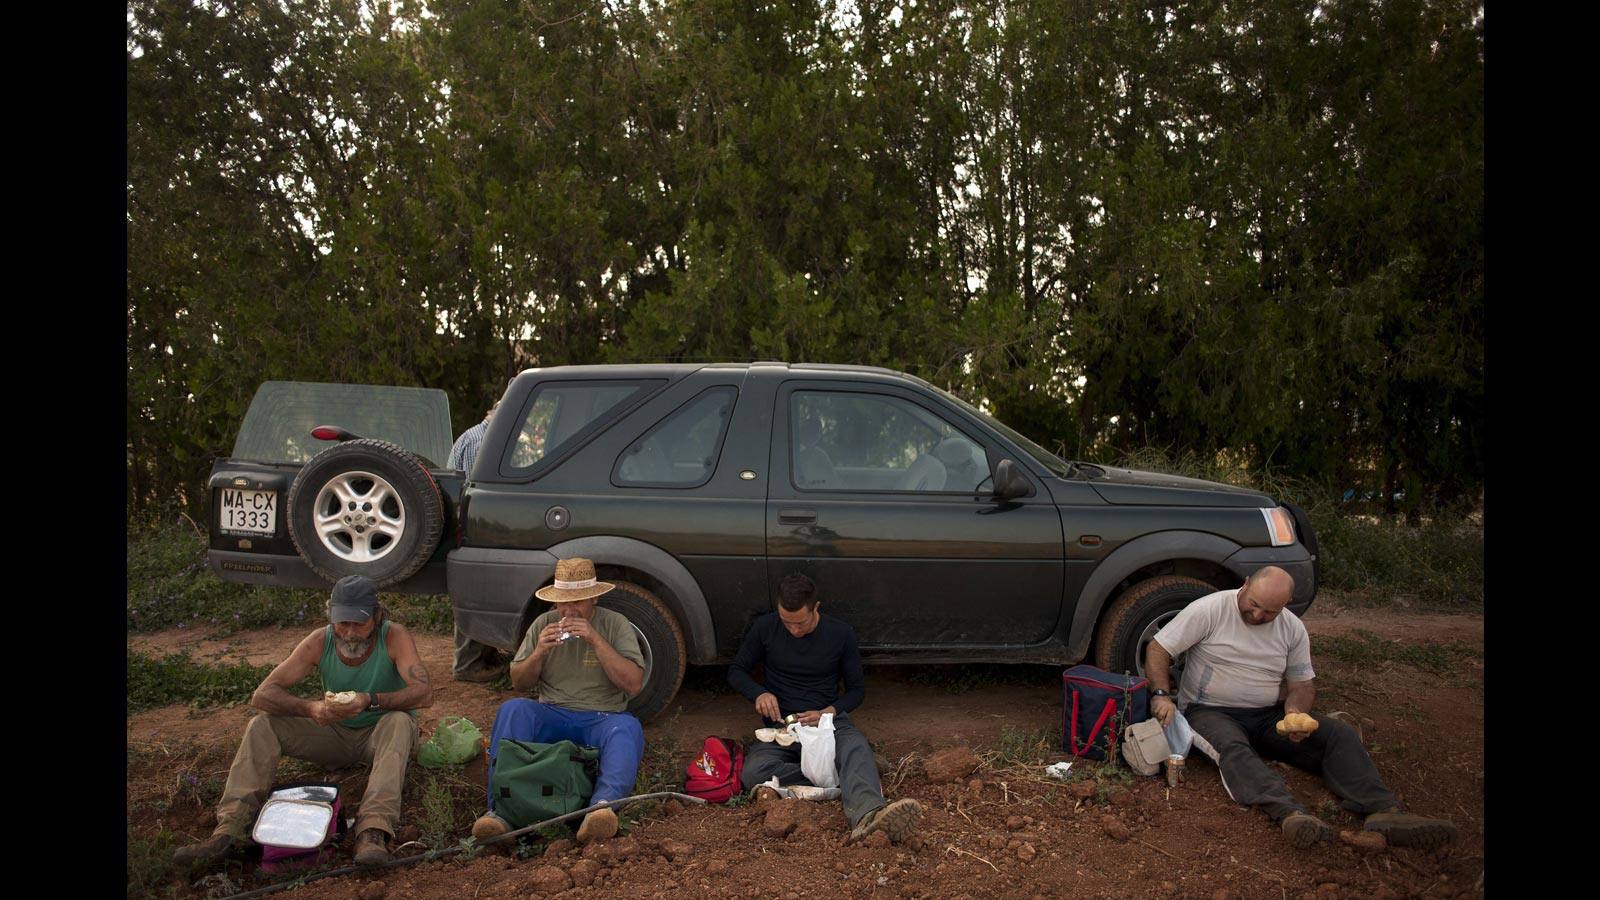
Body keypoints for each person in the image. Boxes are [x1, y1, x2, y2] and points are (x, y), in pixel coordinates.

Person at [1147, 566, 1457, 850]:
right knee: (1231, 746)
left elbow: (1302, 684)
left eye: (1269, 612)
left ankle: (1383, 810)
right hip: (1209, 710)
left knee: (1336, 734)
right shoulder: (1211, 609)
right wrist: (1161, 694)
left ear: (1285, 605)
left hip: (1266, 713)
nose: (1257, 616)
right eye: (1253, 604)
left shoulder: (1292, 628)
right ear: (1245, 586)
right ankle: (1290, 814)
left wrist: (1295, 712)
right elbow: (1159, 647)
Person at [173, 575, 433, 867]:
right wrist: (310, 708)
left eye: (358, 623)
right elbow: (263, 694)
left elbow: (424, 694)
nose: (349, 633)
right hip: (335, 735)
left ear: (378, 615)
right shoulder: (320, 640)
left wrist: (369, 700)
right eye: (342, 623)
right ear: (331, 617)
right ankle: (230, 831)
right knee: (262, 725)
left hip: (382, 736)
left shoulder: (393, 636)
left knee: (398, 721)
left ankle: (373, 830)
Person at [728, 573, 923, 843]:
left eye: (801, 623)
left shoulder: (840, 634)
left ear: (816, 607)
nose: (794, 630)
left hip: (828, 723)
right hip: (782, 728)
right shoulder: (765, 627)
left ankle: (869, 817)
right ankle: (851, 774)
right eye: (787, 623)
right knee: (754, 772)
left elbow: (857, 691)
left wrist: (828, 711)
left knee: (855, 745)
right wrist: (758, 693)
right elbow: (737, 671)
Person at [471, 558, 647, 845]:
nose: (568, 610)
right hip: (552, 711)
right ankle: (498, 813)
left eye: (577, 602)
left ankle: (600, 810)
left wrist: (595, 640)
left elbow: (633, 683)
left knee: (627, 729)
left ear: (595, 598)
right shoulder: (544, 623)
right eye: (562, 603)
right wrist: (539, 651)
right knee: (514, 710)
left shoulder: (614, 624)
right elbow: (519, 682)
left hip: (601, 717)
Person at [450, 396, 507, 683]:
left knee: (482, 591)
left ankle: (482, 655)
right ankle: (468, 664)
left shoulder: (479, 436)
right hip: (472, 529)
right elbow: (479, 495)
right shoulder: (481, 442)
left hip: (469, 527)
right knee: (474, 593)